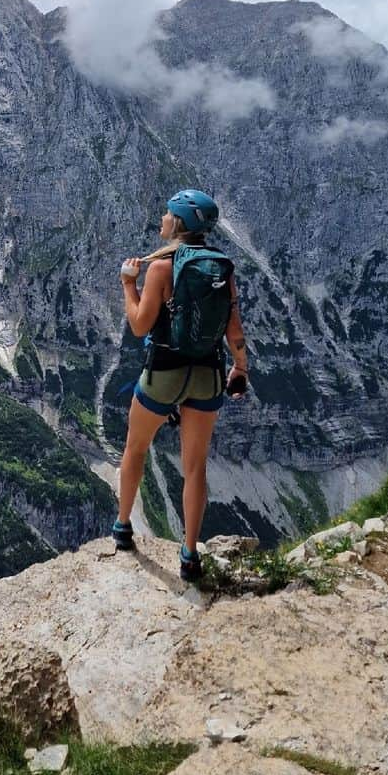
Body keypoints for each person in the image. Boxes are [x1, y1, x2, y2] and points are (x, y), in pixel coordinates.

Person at [111, 188, 248, 582]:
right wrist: (241, 369)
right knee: (195, 467)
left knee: (135, 448)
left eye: (168, 214)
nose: (162, 219)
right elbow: (234, 330)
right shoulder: (223, 267)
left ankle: (123, 528)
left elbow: (139, 326)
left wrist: (127, 285)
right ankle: (189, 555)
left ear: (180, 223)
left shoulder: (159, 269)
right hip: (209, 374)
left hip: (165, 373)